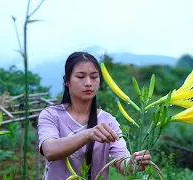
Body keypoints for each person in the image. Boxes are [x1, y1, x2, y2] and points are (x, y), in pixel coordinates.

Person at [38, 52, 152, 180]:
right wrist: (88, 134)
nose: (88, 83)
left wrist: (135, 162)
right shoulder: (51, 114)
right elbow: (50, 150)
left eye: (94, 77)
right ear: (67, 81)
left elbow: (123, 164)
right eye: (80, 77)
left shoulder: (108, 121)